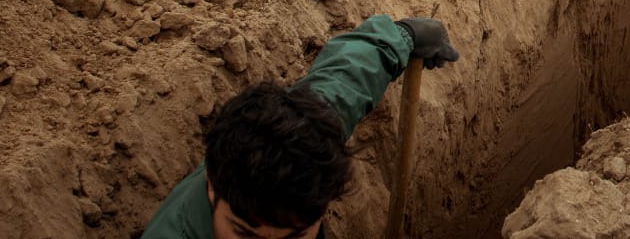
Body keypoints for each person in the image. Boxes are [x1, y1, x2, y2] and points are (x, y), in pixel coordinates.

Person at [142, 15, 460, 238]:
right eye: (247, 236)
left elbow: (343, 83)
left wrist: (403, 35)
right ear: (211, 183)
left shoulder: (307, 140)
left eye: (293, 238)